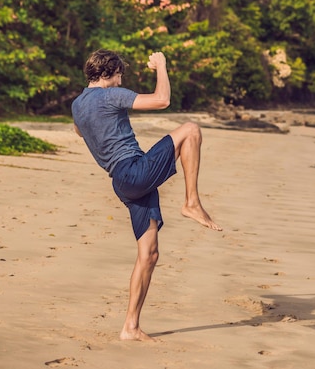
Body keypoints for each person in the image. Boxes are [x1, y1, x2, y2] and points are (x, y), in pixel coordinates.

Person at [71, 49, 221, 341]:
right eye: (119, 76)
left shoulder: (77, 104)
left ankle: (130, 326)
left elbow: (79, 132)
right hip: (133, 171)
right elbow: (162, 99)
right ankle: (191, 202)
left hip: (122, 181)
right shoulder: (109, 95)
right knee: (191, 130)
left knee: (149, 254)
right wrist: (161, 65)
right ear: (108, 73)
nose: (119, 82)